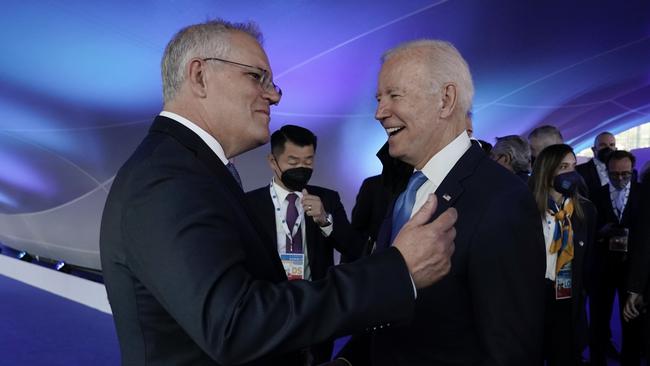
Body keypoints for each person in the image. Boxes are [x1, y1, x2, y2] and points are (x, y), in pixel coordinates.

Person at [99, 20, 457, 366]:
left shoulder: (187, 169)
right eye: (257, 77)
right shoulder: (169, 178)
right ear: (199, 76)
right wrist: (395, 272)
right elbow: (234, 326)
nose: (273, 95)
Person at [336, 39, 546, 366]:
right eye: (378, 98)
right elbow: (391, 306)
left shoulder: (502, 199)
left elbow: (510, 348)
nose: (379, 113)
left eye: (394, 95)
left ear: (446, 100)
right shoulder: (407, 189)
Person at [246, 124, 363, 363]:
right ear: (272, 161)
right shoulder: (249, 204)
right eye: (292, 161)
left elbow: (354, 248)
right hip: (270, 312)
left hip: (316, 310)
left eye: (308, 162)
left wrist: (325, 220)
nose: (301, 168)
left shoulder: (328, 198)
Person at [528, 144, 596, 366]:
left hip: (567, 294)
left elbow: (589, 258)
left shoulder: (585, 210)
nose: (571, 173)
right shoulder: (525, 207)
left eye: (574, 166)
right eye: (563, 167)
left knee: (565, 355)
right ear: (546, 170)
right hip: (533, 295)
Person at [590, 150, 644, 366]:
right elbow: (588, 231)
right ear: (607, 171)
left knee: (632, 321)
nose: (620, 179)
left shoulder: (644, 193)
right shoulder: (596, 195)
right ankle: (597, 360)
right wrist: (601, 232)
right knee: (598, 320)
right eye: (615, 174)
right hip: (602, 268)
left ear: (633, 171)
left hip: (633, 268)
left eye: (625, 174)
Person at [576, 132, 616, 201]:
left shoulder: (625, 171)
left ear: (616, 149)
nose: (608, 148)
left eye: (611, 145)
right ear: (594, 149)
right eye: (603, 145)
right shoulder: (579, 171)